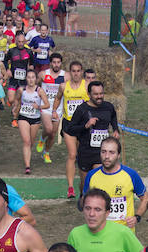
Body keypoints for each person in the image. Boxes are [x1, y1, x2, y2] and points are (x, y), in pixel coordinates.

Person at [81, 137, 148, 231]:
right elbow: (84, 201)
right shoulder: (91, 175)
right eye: (103, 152)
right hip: (99, 232)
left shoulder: (131, 175)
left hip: (124, 232)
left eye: (111, 152)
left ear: (118, 155)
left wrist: (137, 217)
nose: (107, 156)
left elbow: (145, 198)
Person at [69, 81, 120, 188]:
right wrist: (85, 126)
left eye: (101, 94)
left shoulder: (108, 107)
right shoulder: (82, 109)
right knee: (85, 185)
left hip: (101, 152)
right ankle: (83, 200)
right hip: (85, 152)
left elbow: (113, 117)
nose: (99, 97)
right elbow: (70, 129)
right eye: (96, 94)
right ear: (89, 95)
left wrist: (115, 129)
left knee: (98, 184)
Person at [52, 60, 88, 198]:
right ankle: (71, 187)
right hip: (69, 124)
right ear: (69, 72)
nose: (76, 73)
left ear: (82, 72)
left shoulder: (86, 86)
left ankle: (84, 186)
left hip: (84, 126)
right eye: (73, 71)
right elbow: (57, 98)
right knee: (72, 155)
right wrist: (55, 110)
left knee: (81, 156)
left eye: (78, 71)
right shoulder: (63, 86)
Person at [14, 69, 51, 174]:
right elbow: (17, 99)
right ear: (26, 79)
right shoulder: (22, 90)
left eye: (33, 77)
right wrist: (16, 108)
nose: (31, 80)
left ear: (36, 79)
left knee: (30, 142)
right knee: (26, 141)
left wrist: (38, 106)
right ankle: (27, 166)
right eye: (29, 77)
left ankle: (27, 156)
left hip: (35, 119)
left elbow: (47, 104)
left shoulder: (39, 91)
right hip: (23, 117)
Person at [38, 53, 65, 163]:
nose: (56, 64)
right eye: (54, 62)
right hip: (46, 106)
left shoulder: (65, 76)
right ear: (50, 63)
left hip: (58, 108)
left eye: (58, 62)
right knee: (48, 129)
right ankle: (41, 139)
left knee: (53, 134)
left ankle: (46, 152)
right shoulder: (43, 74)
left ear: (61, 63)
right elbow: (34, 86)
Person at [4, 33, 34, 128]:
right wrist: (8, 70)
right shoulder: (12, 50)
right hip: (13, 79)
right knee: (11, 99)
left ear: (25, 42)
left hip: (23, 81)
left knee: (19, 100)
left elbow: (32, 64)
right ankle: (13, 106)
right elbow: (5, 60)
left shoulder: (29, 52)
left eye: (22, 42)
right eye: (19, 42)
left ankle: (14, 119)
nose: (21, 44)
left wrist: (30, 73)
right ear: (16, 41)